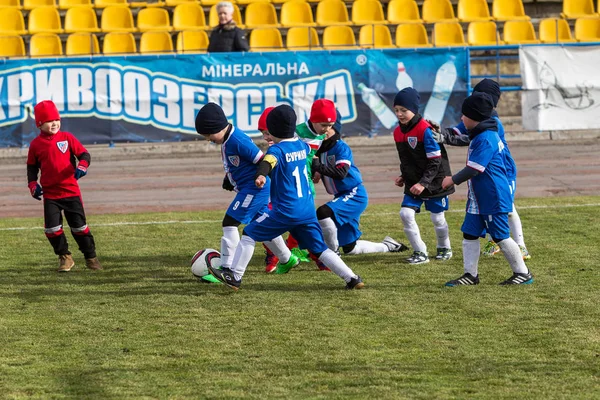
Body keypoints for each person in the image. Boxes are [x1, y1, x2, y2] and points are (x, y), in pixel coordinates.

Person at [208, 105, 365, 290]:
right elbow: (311, 161)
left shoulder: (277, 150)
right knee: (320, 248)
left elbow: (268, 162)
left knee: (249, 234)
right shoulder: (303, 146)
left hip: (286, 210)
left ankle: (234, 275)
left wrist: (260, 175)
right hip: (306, 209)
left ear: (273, 129)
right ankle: (352, 278)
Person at [431, 79, 530, 260]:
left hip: (504, 172)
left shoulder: (493, 124)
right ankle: (495, 240)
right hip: (488, 173)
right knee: (490, 208)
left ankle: (520, 245)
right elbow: (457, 131)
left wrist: (444, 140)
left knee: (507, 208)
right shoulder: (475, 115)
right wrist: (441, 132)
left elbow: (467, 138)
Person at [195, 102, 294, 278]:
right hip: (249, 189)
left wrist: (261, 178)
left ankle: (226, 268)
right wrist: (230, 178)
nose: (208, 139)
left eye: (209, 134)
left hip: (254, 190)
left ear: (217, 127)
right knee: (263, 227)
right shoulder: (228, 139)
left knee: (229, 222)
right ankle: (287, 258)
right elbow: (240, 164)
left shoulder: (237, 140)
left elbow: (261, 159)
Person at [313, 109, 408, 255]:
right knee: (350, 248)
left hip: (354, 194)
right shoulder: (318, 148)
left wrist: (318, 166)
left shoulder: (341, 147)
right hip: (341, 196)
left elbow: (341, 173)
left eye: (329, 126)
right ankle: (389, 246)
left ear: (335, 127)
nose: (324, 130)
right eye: (321, 126)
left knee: (323, 212)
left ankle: (331, 253)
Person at [26, 100, 101, 272]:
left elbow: (84, 154)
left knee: (80, 228)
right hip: (51, 194)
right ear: (39, 124)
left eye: (56, 120)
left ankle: (91, 257)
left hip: (70, 192)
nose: (54, 123)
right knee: (51, 229)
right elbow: (31, 167)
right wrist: (32, 184)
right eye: (48, 121)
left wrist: (82, 165)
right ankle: (65, 257)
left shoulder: (67, 138)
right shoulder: (36, 145)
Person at [392, 88, 454, 265]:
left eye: (404, 110)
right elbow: (407, 159)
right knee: (405, 214)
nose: (400, 114)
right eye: (396, 110)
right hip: (414, 182)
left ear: (414, 109)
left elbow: (435, 162)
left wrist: (423, 183)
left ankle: (444, 247)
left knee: (437, 217)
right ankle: (420, 252)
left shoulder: (426, 130)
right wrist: (403, 176)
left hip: (435, 181)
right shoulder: (398, 132)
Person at [257, 107, 309, 273]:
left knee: (258, 227)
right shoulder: (295, 146)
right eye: (262, 133)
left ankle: (287, 254)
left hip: (292, 200)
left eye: (267, 132)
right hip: (290, 201)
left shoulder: (281, 149)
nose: (266, 137)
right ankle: (279, 254)